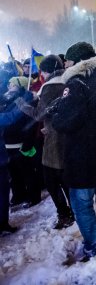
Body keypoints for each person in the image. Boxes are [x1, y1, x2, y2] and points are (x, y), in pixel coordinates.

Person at [50, 42, 96, 258]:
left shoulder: (77, 83)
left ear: (78, 62)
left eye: (68, 61)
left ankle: (94, 244)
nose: (66, 64)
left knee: (82, 205)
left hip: (83, 159)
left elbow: (65, 122)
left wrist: (57, 112)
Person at [16, 54, 74, 229]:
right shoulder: (68, 81)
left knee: (51, 179)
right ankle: (76, 211)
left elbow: (40, 114)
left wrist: (21, 104)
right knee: (65, 177)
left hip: (55, 139)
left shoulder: (50, 87)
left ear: (45, 71)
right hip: (69, 135)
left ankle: (65, 214)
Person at [3, 76, 41, 209]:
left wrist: (28, 142)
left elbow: (31, 123)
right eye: (9, 84)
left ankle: (33, 196)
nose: (9, 87)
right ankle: (19, 195)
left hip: (21, 143)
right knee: (14, 174)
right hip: (8, 144)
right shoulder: (7, 99)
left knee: (27, 172)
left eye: (12, 84)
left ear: (21, 86)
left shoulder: (26, 100)